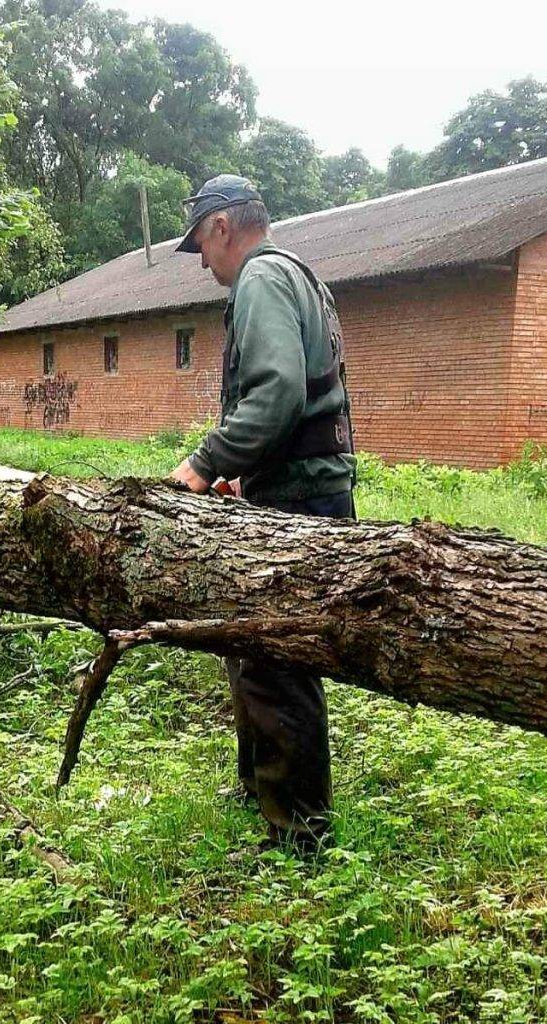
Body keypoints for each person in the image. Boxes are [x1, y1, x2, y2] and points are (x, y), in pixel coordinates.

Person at [170, 174, 356, 851]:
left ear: (222, 227)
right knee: (248, 644)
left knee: (278, 656)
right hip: (294, 488)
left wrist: (208, 461)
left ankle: (299, 833)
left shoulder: (261, 279)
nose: (204, 263)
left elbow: (277, 394)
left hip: (302, 500)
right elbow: (291, 403)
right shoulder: (292, 275)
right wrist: (248, 476)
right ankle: (260, 788)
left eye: (200, 247)